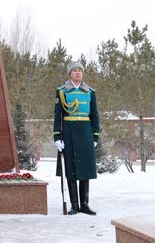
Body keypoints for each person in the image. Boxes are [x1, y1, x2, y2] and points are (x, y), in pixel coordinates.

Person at [53, 61, 100, 215]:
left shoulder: (90, 92)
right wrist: (57, 137)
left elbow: (94, 115)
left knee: (85, 169)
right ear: (69, 74)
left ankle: (84, 204)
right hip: (69, 133)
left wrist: (95, 136)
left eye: (80, 70)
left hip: (85, 133)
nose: (78, 72)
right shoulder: (62, 92)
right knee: (71, 170)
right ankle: (74, 204)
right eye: (74, 70)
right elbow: (58, 116)